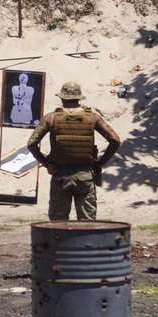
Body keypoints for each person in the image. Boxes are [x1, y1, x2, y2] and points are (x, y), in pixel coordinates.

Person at [27, 82, 121, 221]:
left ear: (62, 98)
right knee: (87, 223)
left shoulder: (50, 118)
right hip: (85, 176)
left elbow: (31, 144)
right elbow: (115, 140)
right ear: (79, 98)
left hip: (60, 176)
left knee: (58, 222)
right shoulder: (93, 117)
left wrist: (46, 163)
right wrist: (100, 162)